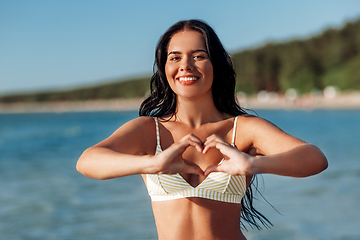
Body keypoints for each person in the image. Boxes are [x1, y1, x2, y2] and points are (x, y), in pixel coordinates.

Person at [76, 19, 328, 240]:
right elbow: (87, 162)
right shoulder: (148, 130)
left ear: (215, 66)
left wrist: (252, 166)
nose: (185, 65)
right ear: (165, 69)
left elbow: (314, 158)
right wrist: (153, 164)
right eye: (175, 57)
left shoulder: (243, 129)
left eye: (198, 56)